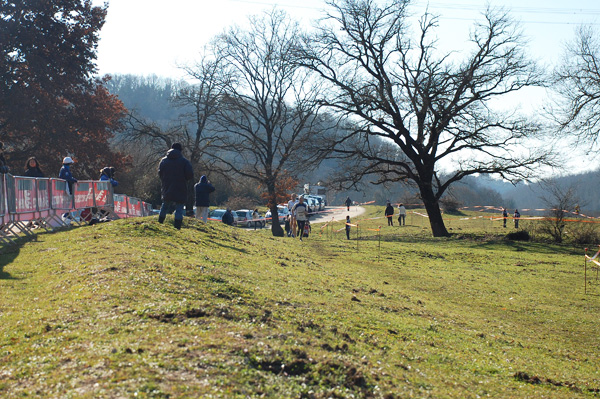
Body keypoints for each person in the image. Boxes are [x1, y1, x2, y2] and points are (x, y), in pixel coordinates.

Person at [157, 143, 194, 230]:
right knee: (179, 207)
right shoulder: (184, 162)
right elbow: (190, 175)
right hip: (180, 186)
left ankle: (160, 222)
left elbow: (159, 173)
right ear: (180, 150)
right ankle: (177, 226)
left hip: (167, 185)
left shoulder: (163, 161)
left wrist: (165, 180)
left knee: (165, 205)